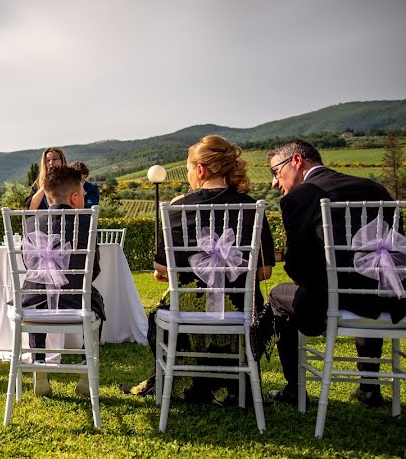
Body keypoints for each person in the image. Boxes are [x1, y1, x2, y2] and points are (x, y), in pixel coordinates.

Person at [121, 135, 275, 403]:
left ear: (201, 169)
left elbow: (160, 266)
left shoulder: (178, 208)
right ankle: (231, 385)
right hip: (240, 310)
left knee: (161, 313)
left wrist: (185, 273)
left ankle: (185, 381)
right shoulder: (251, 207)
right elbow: (265, 272)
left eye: (190, 168)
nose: (190, 174)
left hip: (188, 312)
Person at [258, 139, 404, 408]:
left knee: (279, 295)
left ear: (297, 161)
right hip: (388, 298)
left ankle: (295, 389)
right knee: (363, 288)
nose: (274, 183)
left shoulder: (300, 198)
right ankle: (369, 388)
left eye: (276, 172)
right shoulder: (375, 188)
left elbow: (298, 267)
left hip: (332, 300)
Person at [21, 165, 106, 397]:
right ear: (75, 196)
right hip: (76, 302)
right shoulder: (87, 223)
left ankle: (39, 364)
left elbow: (29, 266)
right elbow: (94, 269)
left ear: (47, 196)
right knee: (96, 300)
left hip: (34, 303)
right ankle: (83, 370)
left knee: (36, 293)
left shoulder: (30, 222)